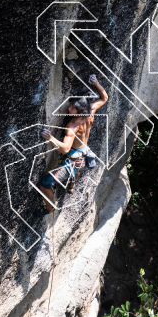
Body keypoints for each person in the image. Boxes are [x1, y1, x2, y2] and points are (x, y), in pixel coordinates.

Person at [34, 74, 108, 217]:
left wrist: (50, 138)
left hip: (74, 161)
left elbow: (65, 148)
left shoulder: (72, 126)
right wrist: (96, 83)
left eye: (72, 107)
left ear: (79, 111)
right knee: (76, 168)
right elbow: (104, 98)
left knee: (45, 183)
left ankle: (49, 208)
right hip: (83, 155)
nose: (69, 108)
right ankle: (71, 186)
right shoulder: (90, 110)